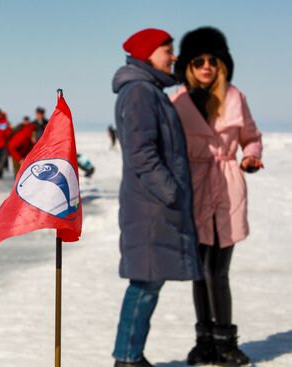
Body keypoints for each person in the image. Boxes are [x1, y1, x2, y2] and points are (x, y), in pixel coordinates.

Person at [172, 27, 263, 367]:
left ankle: (226, 342)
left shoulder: (236, 97)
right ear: (189, 66)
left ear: (222, 64)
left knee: (218, 270)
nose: (206, 66)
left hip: (227, 186)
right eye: (199, 60)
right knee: (199, 269)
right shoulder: (177, 100)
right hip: (192, 187)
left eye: (213, 60)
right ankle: (203, 342)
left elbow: (251, 137)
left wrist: (251, 155)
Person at [111, 28, 203, 367]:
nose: (174, 56)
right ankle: (127, 358)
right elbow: (141, 153)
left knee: (149, 282)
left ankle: (131, 356)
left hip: (154, 205)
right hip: (151, 207)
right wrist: (171, 192)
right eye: (168, 50)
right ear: (149, 54)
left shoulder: (149, 91)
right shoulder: (139, 93)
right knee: (145, 283)